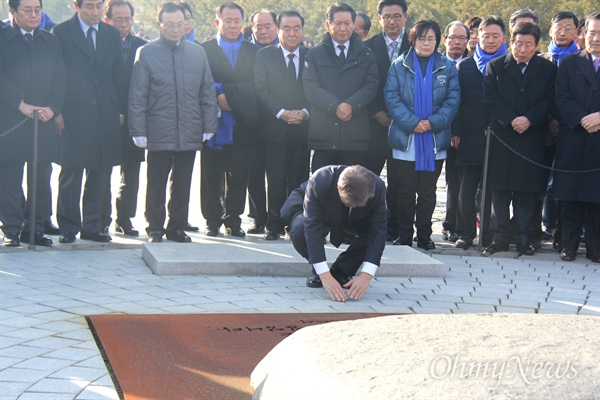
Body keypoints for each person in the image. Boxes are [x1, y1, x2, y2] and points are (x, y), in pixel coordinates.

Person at [128, 2, 217, 243]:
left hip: (190, 129)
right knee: (156, 181)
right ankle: (155, 227)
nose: (177, 29)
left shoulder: (197, 52)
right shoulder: (146, 53)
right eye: (170, 24)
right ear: (160, 24)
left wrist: (209, 125)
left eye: (181, 24)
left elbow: (207, 91)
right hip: (159, 129)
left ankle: (177, 227)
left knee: (183, 182)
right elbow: (138, 95)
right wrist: (138, 129)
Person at [52, 0, 125, 244]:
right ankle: (69, 227)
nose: (95, 12)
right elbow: (57, 72)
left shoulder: (111, 34)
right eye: (89, 7)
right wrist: (58, 110)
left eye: (99, 6)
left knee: (100, 171)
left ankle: (92, 227)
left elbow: (118, 73)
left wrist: (121, 109)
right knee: (71, 171)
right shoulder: (62, 32)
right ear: (76, 6)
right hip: (74, 113)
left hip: (106, 113)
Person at [482, 22, 557, 257]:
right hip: (503, 136)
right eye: (518, 43)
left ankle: (524, 238)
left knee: (527, 191)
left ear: (536, 46)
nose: (522, 49)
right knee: (500, 191)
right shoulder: (495, 67)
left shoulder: (547, 69)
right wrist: (511, 118)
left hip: (531, 136)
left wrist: (529, 119)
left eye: (528, 45)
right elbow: (490, 99)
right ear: (510, 42)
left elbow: (550, 99)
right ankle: (500, 236)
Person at [384, 20, 459, 250]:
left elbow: (453, 100)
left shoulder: (447, 66)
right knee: (405, 191)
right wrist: (413, 123)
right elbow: (391, 97)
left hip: (434, 139)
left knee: (427, 191)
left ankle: (425, 235)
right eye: (421, 38)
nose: (426, 43)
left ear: (437, 41)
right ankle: (405, 235)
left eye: (431, 39)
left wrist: (432, 123)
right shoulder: (399, 65)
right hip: (406, 139)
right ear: (412, 40)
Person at [0, 0, 66, 247]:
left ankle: (35, 228)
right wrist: (20, 105)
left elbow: (61, 77)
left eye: (37, 10)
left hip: (43, 119)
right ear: (13, 12)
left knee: (40, 176)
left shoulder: (50, 41)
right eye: (27, 10)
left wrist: (52, 107)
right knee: (9, 178)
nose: (34, 15)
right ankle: (11, 229)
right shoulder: (3, 38)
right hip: (11, 118)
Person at [281, 165, 387, 302]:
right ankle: (318, 270)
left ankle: (340, 271)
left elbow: (378, 231)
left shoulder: (378, 187)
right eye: (350, 203)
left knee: (371, 234)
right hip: (314, 208)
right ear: (339, 188)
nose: (353, 206)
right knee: (300, 229)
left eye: (357, 204)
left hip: (355, 217)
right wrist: (324, 275)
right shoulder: (319, 180)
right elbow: (311, 227)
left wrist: (367, 275)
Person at [201, 2, 258, 238]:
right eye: (228, 20)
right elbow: (201, 80)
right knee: (210, 172)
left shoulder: (253, 52)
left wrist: (230, 96)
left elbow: (256, 85)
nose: (233, 25)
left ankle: (234, 219)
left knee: (239, 173)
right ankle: (212, 219)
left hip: (242, 121)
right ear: (218, 22)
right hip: (212, 120)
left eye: (237, 21)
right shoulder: (204, 50)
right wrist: (217, 95)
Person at [253, 11, 310, 241]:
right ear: (278, 30)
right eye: (286, 28)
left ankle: (294, 223)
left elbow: (315, 88)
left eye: (296, 28)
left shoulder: (311, 55)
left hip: (302, 128)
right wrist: (281, 113)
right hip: (274, 128)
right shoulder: (265, 55)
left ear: (302, 30)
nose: (292, 32)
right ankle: (273, 224)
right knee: (275, 179)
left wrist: (305, 113)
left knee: (298, 178)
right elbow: (261, 88)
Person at [303, 2, 378, 172]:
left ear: (353, 24)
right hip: (324, 133)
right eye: (338, 23)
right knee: (323, 186)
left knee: (353, 189)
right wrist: (337, 106)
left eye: (347, 23)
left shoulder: (366, 54)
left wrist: (351, 104)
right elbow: (311, 88)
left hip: (355, 134)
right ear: (328, 25)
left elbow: (372, 84)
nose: (343, 28)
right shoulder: (314, 54)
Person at [452, 15, 507, 250]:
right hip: (469, 135)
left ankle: (490, 234)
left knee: (494, 191)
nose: (491, 40)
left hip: (500, 137)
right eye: (486, 36)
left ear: (504, 38)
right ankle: (465, 233)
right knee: (466, 189)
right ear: (477, 37)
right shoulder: (465, 65)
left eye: (496, 36)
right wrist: (455, 131)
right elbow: (456, 102)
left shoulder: (508, 64)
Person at [553, 12, 600, 263]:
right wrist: (583, 118)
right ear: (583, 34)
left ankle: (595, 247)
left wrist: (599, 118)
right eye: (591, 32)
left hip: (598, 141)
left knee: (597, 199)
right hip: (574, 136)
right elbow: (562, 96)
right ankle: (568, 245)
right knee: (570, 196)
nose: (595, 38)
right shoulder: (570, 63)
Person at [363, 0, 410, 242]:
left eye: (397, 16)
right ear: (379, 18)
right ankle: (365, 224)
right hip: (375, 125)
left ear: (405, 16)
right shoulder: (367, 48)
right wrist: (376, 111)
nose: (392, 21)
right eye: (387, 16)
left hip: (405, 126)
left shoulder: (416, 45)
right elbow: (364, 84)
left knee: (401, 180)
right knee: (369, 177)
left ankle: (395, 228)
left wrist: (404, 116)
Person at [100, 0, 146, 237]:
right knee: (102, 171)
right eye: (118, 19)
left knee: (131, 174)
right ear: (107, 19)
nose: (124, 24)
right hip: (106, 118)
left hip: (134, 119)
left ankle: (124, 219)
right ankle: (100, 220)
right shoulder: (101, 43)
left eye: (127, 19)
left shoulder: (143, 47)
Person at [246, 8, 279, 235]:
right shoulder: (246, 52)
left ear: (276, 27)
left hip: (282, 123)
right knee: (254, 172)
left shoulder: (287, 49)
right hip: (252, 123)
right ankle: (257, 217)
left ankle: (280, 218)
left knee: (279, 174)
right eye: (259, 26)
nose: (264, 31)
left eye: (268, 26)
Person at [441, 21, 469, 244]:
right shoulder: (435, 63)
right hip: (431, 129)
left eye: (462, 38)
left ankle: (452, 224)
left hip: (460, 135)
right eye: (453, 37)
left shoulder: (472, 65)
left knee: (456, 181)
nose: (457, 42)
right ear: (445, 39)